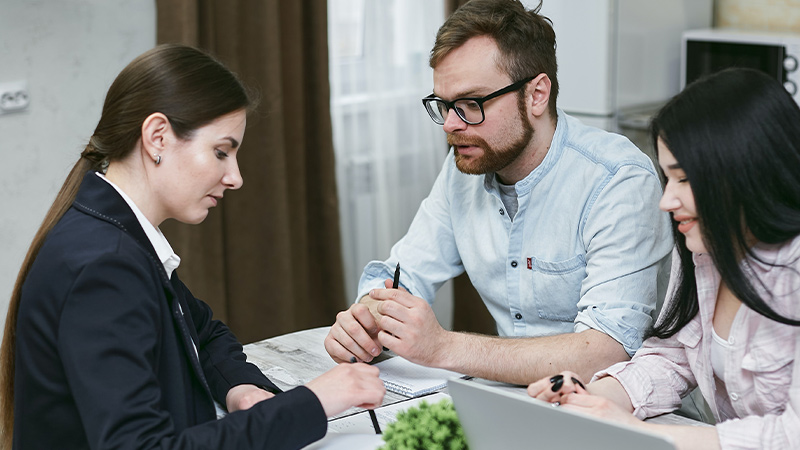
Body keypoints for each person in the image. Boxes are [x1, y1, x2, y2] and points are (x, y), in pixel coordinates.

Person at [0, 44, 385, 450]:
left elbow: (201, 330)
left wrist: (242, 388)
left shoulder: (114, 232)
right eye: (221, 152)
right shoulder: (106, 264)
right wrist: (313, 402)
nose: (235, 177)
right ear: (158, 137)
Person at [324, 0, 672, 385]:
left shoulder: (618, 180)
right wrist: (368, 314)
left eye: (471, 104)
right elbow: (404, 274)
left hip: (620, 410)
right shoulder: (467, 167)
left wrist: (442, 348)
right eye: (444, 105)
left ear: (536, 94)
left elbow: (607, 350)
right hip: (514, 403)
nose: (451, 126)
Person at [527, 67, 800, 449]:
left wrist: (645, 433)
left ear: (745, 170)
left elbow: (792, 433)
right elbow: (672, 358)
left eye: (684, 179)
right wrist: (596, 397)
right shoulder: (705, 252)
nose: (666, 201)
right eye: (667, 178)